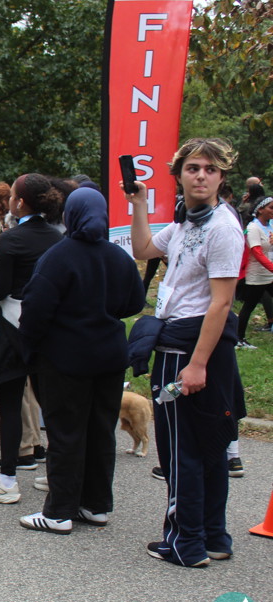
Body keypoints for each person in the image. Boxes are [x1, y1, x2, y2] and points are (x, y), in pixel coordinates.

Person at [127, 137, 246, 567]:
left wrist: (197, 364)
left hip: (190, 349)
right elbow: (143, 249)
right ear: (178, 175)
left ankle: (185, 542)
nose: (201, 176)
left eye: (211, 169)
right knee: (206, 447)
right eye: (193, 168)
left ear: (221, 177)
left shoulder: (222, 227)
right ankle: (213, 537)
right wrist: (139, 204)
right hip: (183, 344)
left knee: (183, 449)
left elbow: (222, 303)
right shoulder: (183, 223)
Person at [17, 187, 145, 534]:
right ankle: (96, 504)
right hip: (110, 356)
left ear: (69, 215)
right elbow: (135, 302)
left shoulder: (58, 257)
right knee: (101, 430)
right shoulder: (118, 257)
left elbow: (35, 308)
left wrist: (31, 348)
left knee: (65, 432)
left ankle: (59, 511)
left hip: (65, 357)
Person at [0, 173, 63, 504]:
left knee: (10, 406)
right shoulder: (57, 237)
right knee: (50, 406)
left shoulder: (11, 239)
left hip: (12, 327)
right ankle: (57, 474)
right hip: (48, 328)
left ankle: (8, 480)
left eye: (12, 195)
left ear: (20, 202)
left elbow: (0, 288)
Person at [235, 196, 273, 347]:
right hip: (257, 276)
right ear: (260, 210)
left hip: (269, 274)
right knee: (249, 306)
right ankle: (239, 338)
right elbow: (257, 252)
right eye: (271, 207)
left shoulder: (270, 226)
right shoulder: (253, 228)